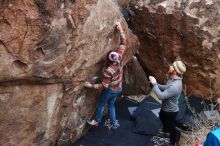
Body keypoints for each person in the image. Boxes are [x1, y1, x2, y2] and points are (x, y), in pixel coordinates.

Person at [84, 22, 126, 129]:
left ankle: (96, 121)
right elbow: (123, 43)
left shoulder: (108, 71)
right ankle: (113, 123)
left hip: (110, 90)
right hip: (119, 88)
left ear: (108, 59)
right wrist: (120, 29)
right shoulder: (119, 57)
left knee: (101, 105)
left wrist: (90, 86)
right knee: (111, 105)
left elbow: (103, 86)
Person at [149, 60, 186, 146]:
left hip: (170, 111)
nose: (170, 67)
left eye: (172, 66)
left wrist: (154, 84)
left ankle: (173, 143)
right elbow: (165, 87)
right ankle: (165, 131)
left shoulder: (175, 86)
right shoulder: (172, 79)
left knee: (171, 127)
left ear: (175, 71)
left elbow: (161, 96)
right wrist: (156, 84)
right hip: (165, 108)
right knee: (161, 116)